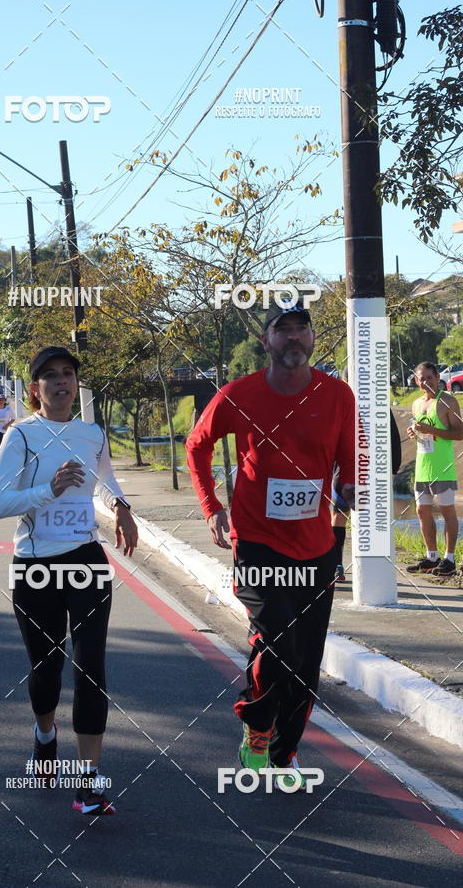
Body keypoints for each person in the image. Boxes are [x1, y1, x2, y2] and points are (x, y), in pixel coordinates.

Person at [186, 298, 355, 791]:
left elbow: (349, 463)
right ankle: (258, 729)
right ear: (267, 340)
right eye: (284, 330)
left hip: (316, 548)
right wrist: (211, 507)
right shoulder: (240, 394)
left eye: (302, 329)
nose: (294, 338)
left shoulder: (338, 395)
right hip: (258, 541)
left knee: (305, 658)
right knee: (277, 641)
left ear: (312, 340)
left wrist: (348, 502)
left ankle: (285, 754)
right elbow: (197, 444)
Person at [0, 346, 138, 815]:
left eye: (67, 374)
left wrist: (122, 509)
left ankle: (88, 782)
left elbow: (106, 478)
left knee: (90, 667)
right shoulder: (21, 436)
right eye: (49, 376)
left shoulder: (91, 433)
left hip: (87, 559)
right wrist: (46, 490)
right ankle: (45, 735)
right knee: (46, 669)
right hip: (35, 565)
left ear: (76, 383)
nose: (59, 382)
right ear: (35, 388)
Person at [332, 368, 403, 582]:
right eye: (348, 381)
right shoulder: (339, 404)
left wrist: (392, 470)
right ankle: (336, 565)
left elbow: (393, 437)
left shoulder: (379, 405)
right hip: (343, 471)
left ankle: (376, 568)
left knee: (372, 518)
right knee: (339, 516)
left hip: (373, 470)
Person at [405, 361, 463, 576]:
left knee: (447, 511)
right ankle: (432, 557)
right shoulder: (417, 404)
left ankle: (449, 559)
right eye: (422, 378)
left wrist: (430, 429)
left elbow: (460, 433)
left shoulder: (447, 401)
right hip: (422, 466)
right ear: (417, 381)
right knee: (422, 511)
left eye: (430, 377)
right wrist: (415, 433)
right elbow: (422, 433)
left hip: (443, 466)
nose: (426, 382)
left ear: (438, 378)